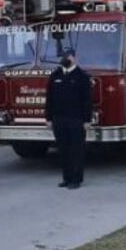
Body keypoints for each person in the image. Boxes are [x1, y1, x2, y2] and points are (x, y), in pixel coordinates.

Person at [44, 47, 92, 190]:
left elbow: (87, 100)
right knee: (63, 150)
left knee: (76, 150)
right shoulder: (55, 75)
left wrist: (87, 120)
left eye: (67, 56)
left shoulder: (82, 76)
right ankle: (66, 178)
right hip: (58, 119)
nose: (64, 59)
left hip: (76, 120)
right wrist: (48, 118)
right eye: (62, 56)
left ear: (73, 58)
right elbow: (49, 98)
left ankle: (76, 179)